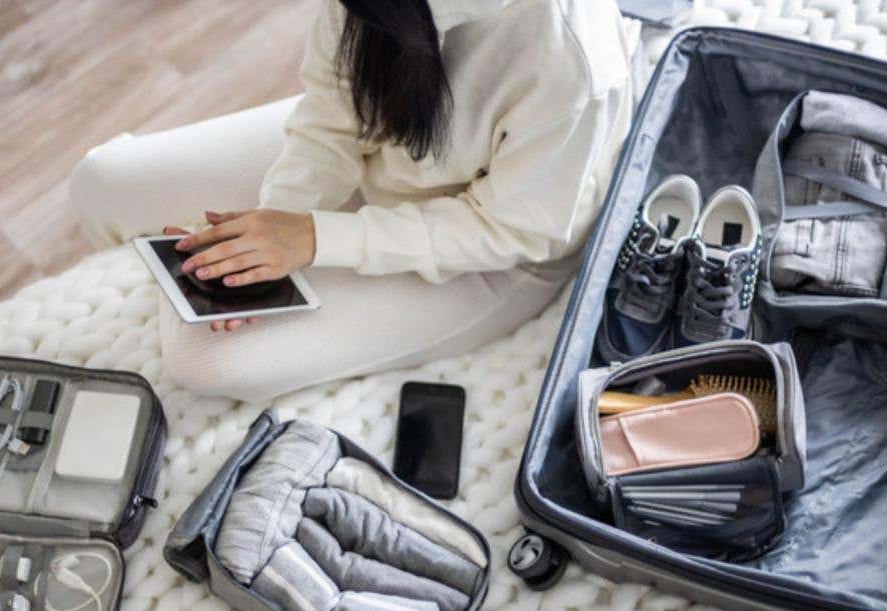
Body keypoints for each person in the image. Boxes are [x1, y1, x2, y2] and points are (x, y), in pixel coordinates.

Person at [71, 0, 633, 402]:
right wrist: (277, 221)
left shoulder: (570, 59)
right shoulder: (376, 17)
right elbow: (331, 111)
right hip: (387, 152)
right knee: (102, 183)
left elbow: (513, 230)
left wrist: (317, 238)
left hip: (495, 249)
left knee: (200, 357)